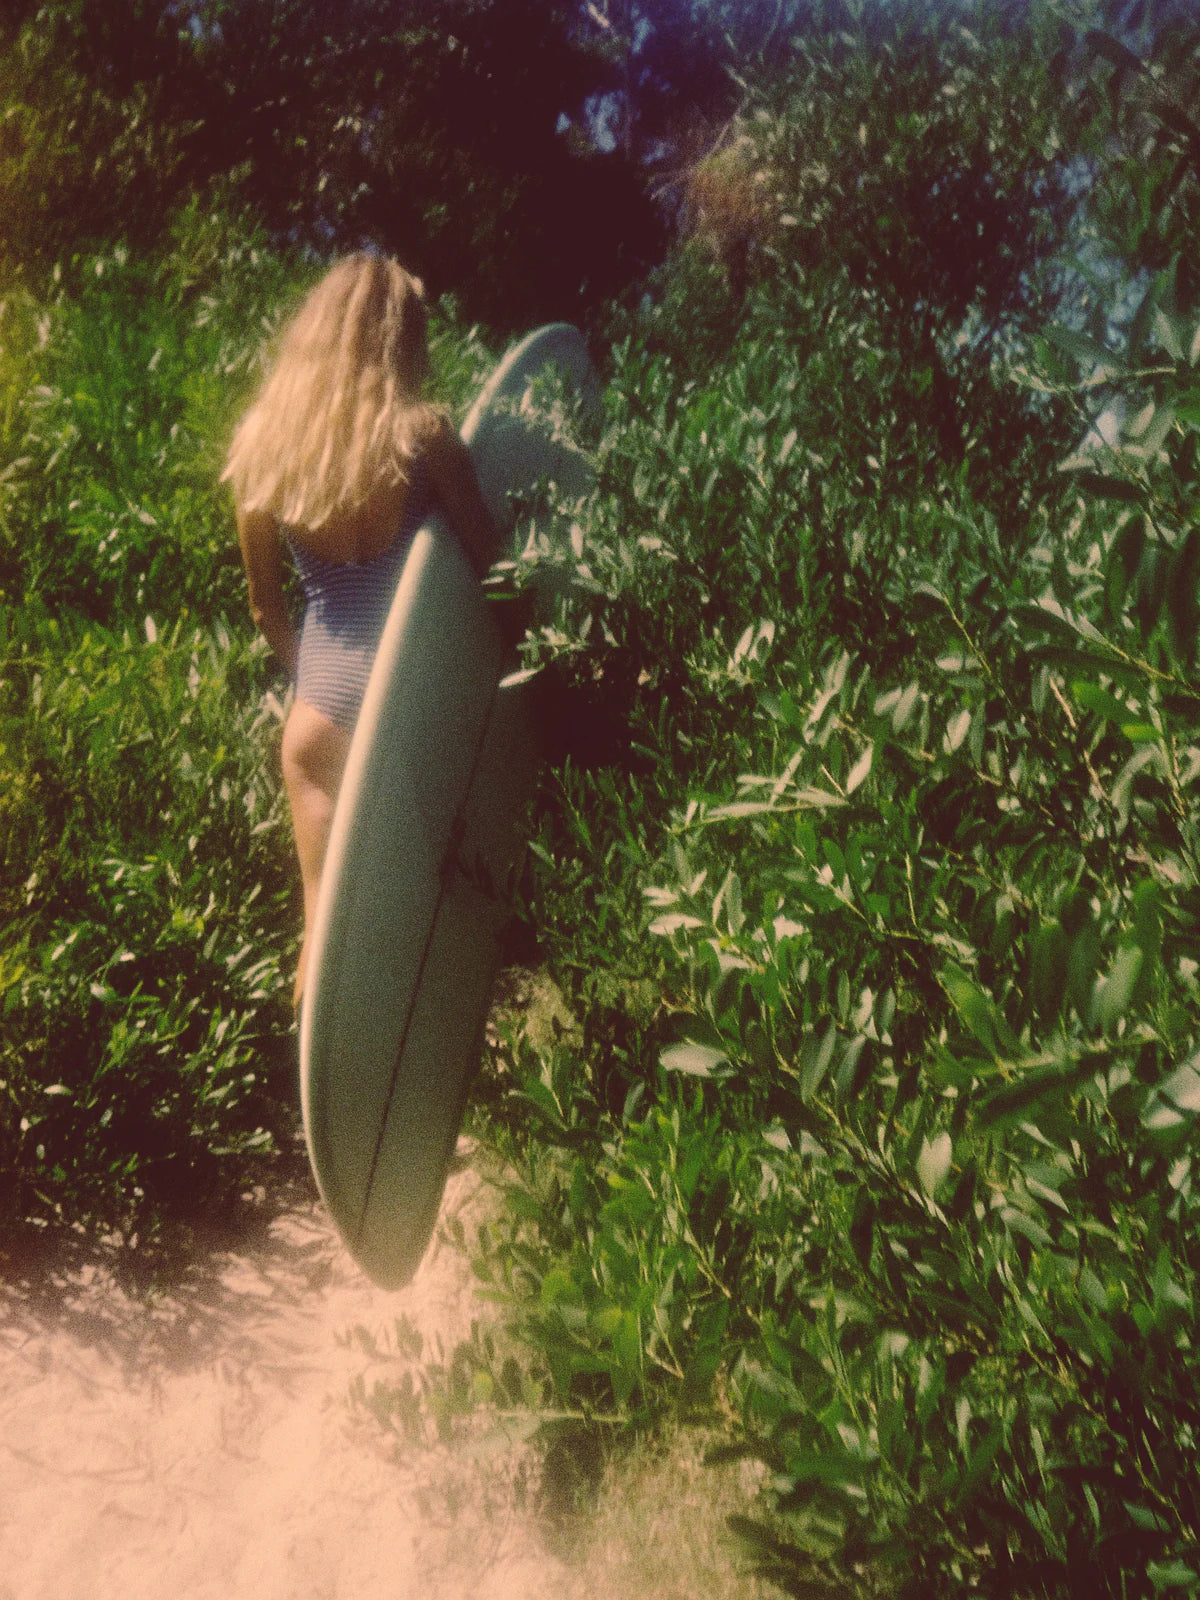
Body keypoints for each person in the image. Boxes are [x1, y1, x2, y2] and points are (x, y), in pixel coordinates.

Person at [223, 254, 498, 1010]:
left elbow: (264, 608)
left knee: (326, 943)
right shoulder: (423, 436)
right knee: (432, 932)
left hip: (316, 725)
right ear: (398, 337)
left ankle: (319, 1079)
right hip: (410, 704)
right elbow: (495, 572)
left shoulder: (260, 448)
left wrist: (325, 686)